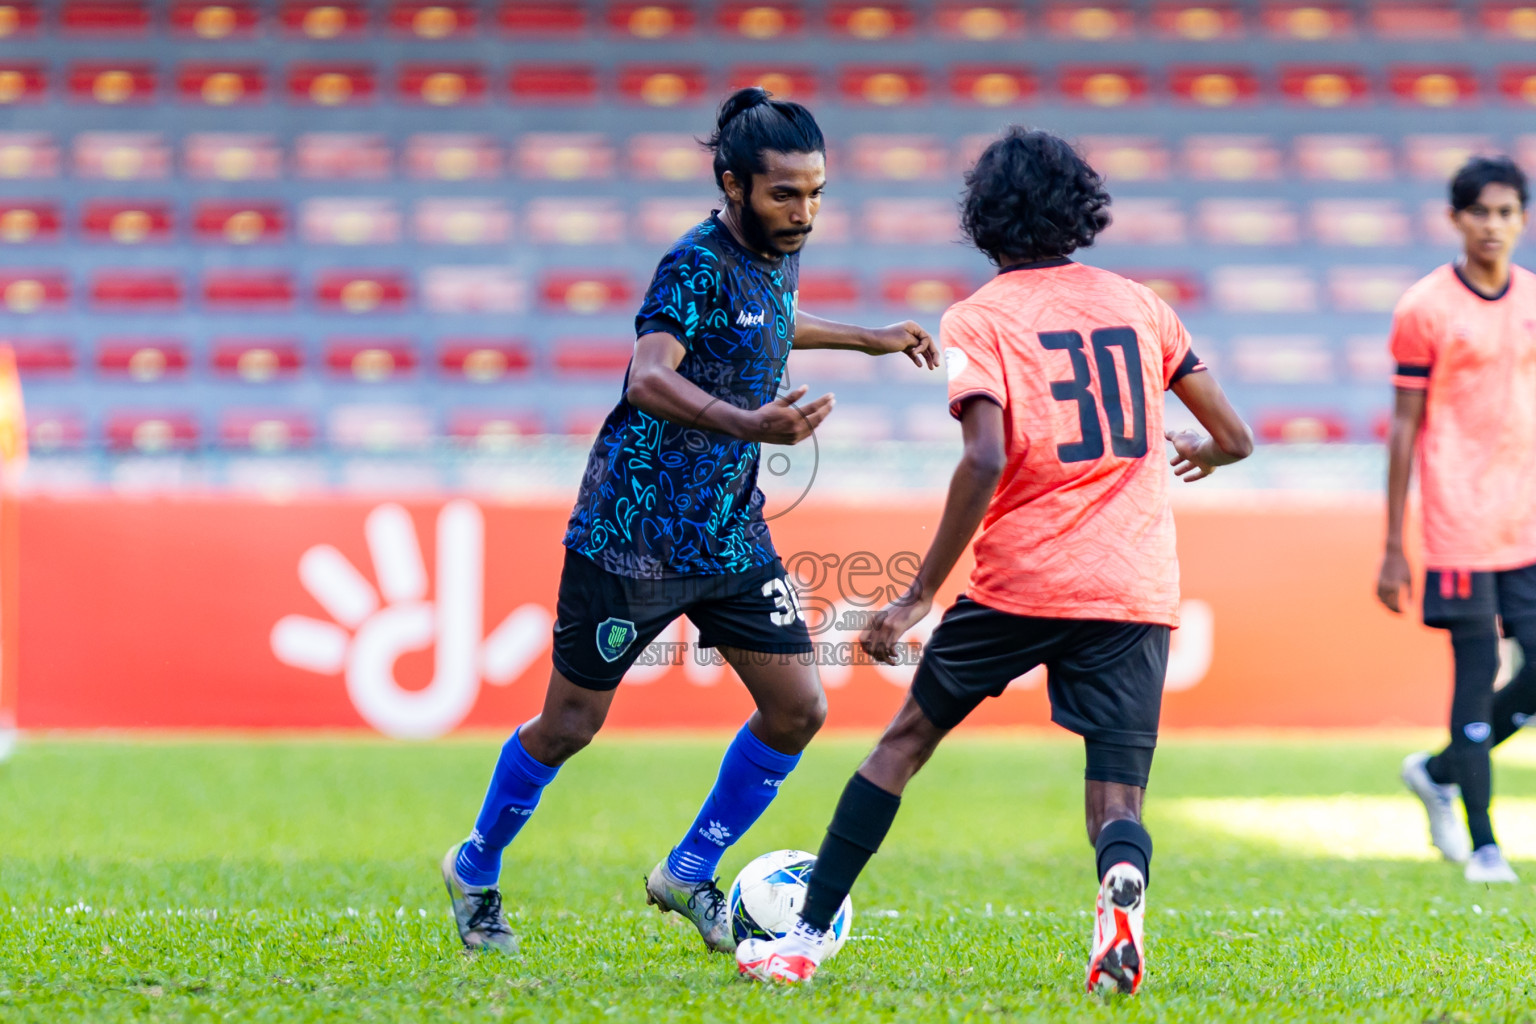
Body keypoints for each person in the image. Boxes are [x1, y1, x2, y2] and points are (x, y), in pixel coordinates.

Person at [735, 126, 1253, 993]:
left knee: (901, 747)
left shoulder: (981, 317)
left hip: (1026, 579)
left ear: (986, 221)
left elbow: (983, 457)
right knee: (1117, 799)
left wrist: (914, 596)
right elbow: (1235, 437)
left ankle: (804, 938)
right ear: (1080, 210)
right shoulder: (1142, 305)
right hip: (1134, 584)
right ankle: (1118, 891)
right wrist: (1204, 449)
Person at [440, 87, 939, 955]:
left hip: (727, 534)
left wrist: (869, 338)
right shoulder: (691, 263)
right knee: (568, 728)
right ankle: (475, 867)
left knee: (798, 709)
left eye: (817, 192)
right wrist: (751, 424)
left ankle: (687, 871)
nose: (805, 212)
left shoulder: (775, 256)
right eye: (786, 194)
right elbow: (646, 374)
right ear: (732, 183)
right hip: (629, 535)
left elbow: (765, 324)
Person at [1380, 156, 1536, 885]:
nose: (1495, 226)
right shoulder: (1425, 307)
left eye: (1508, 212)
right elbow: (1405, 429)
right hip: (1457, 528)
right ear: (1456, 218)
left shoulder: (1532, 299)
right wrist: (1392, 546)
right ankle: (1483, 844)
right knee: (1475, 677)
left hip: (1525, 526)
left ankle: (1439, 771)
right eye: (1482, 212)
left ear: (1522, 219)